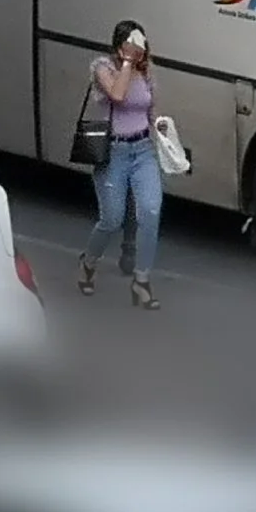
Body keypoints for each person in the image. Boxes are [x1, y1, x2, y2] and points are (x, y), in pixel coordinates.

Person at [80, 19, 165, 309]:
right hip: (113, 152)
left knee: (151, 211)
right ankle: (89, 262)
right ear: (120, 46)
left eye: (141, 45)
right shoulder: (104, 68)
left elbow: (151, 110)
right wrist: (127, 64)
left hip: (142, 150)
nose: (139, 50)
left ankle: (142, 281)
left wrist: (163, 130)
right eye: (133, 44)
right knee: (112, 219)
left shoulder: (147, 74)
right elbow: (117, 95)